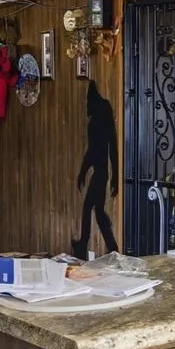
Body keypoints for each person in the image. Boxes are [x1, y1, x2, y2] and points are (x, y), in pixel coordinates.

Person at [74, 79, 118, 258]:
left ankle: (84, 245)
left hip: (99, 173)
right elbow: (112, 149)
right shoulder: (105, 120)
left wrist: (83, 172)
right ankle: (111, 247)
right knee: (98, 211)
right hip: (103, 172)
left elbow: (92, 152)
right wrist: (114, 176)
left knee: (89, 208)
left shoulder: (95, 124)